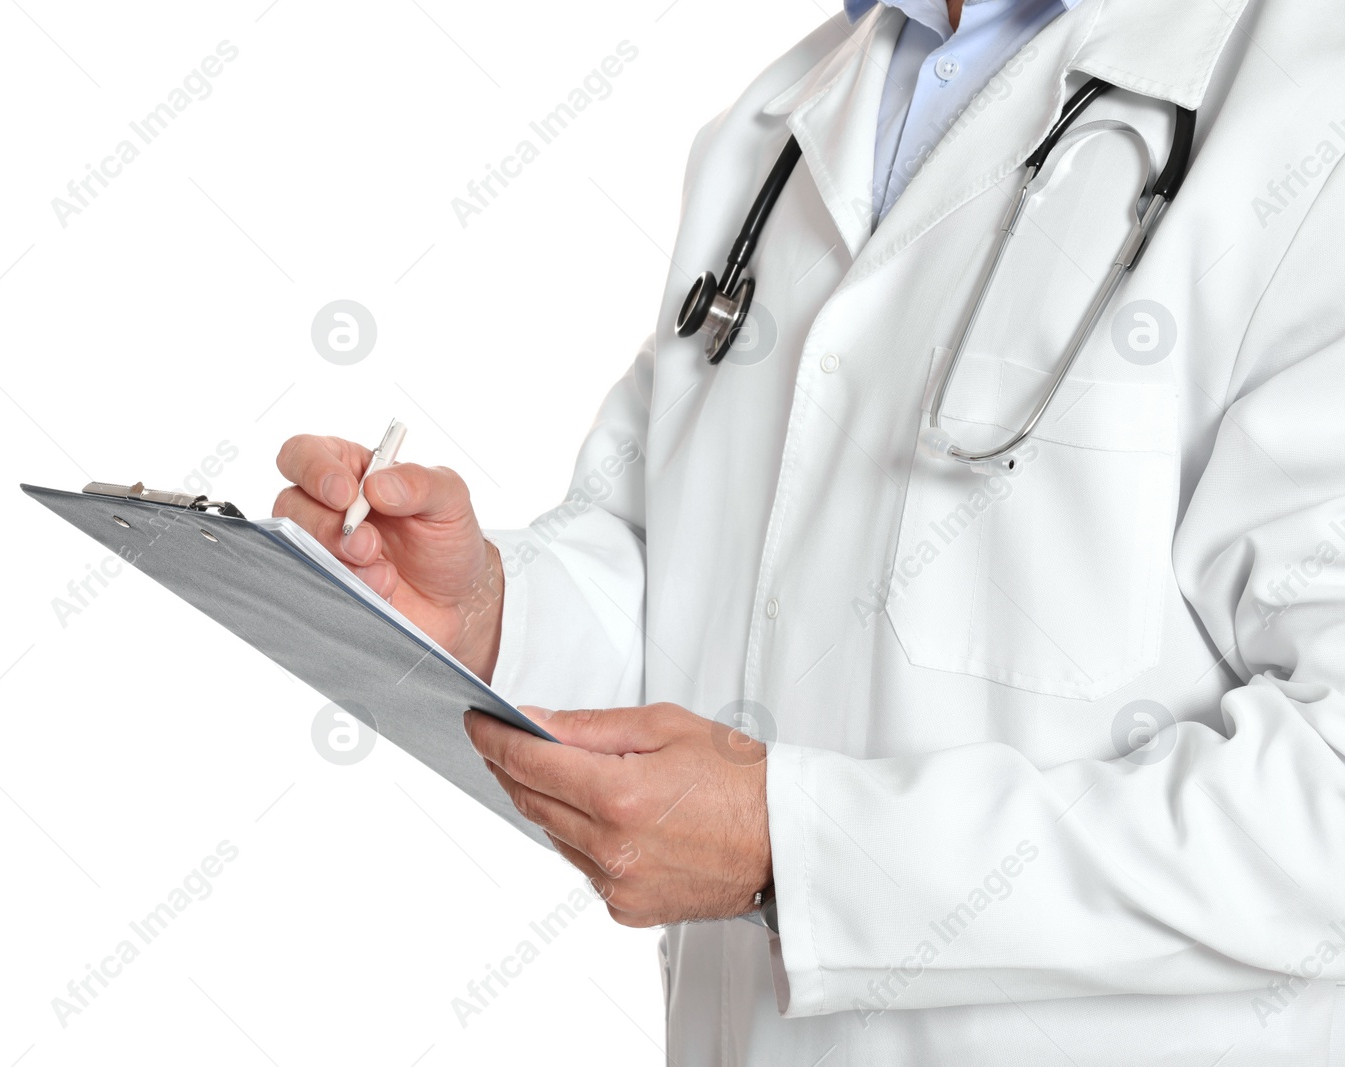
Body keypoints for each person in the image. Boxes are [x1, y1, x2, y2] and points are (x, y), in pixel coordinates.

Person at [274, 0, 1345, 1062]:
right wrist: (489, 611)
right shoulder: (780, 122)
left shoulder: (1306, 107)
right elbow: (699, 577)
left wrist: (798, 845)